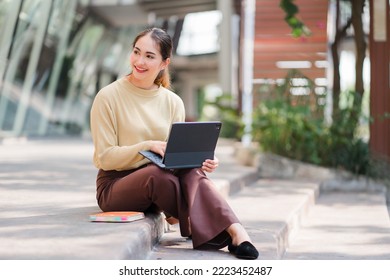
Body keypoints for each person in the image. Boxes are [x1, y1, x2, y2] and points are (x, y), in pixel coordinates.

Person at [90, 27, 259, 260]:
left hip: (161, 182)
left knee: (190, 169)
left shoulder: (172, 102)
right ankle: (205, 223)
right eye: (137, 52)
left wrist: (201, 159)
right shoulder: (108, 96)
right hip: (115, 186)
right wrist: (147, 146)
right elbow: (105, 157)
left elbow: (177, 157)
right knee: (157, 176)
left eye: (149, 56)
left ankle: (236, 231)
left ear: (164, 63)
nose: (139, 61)